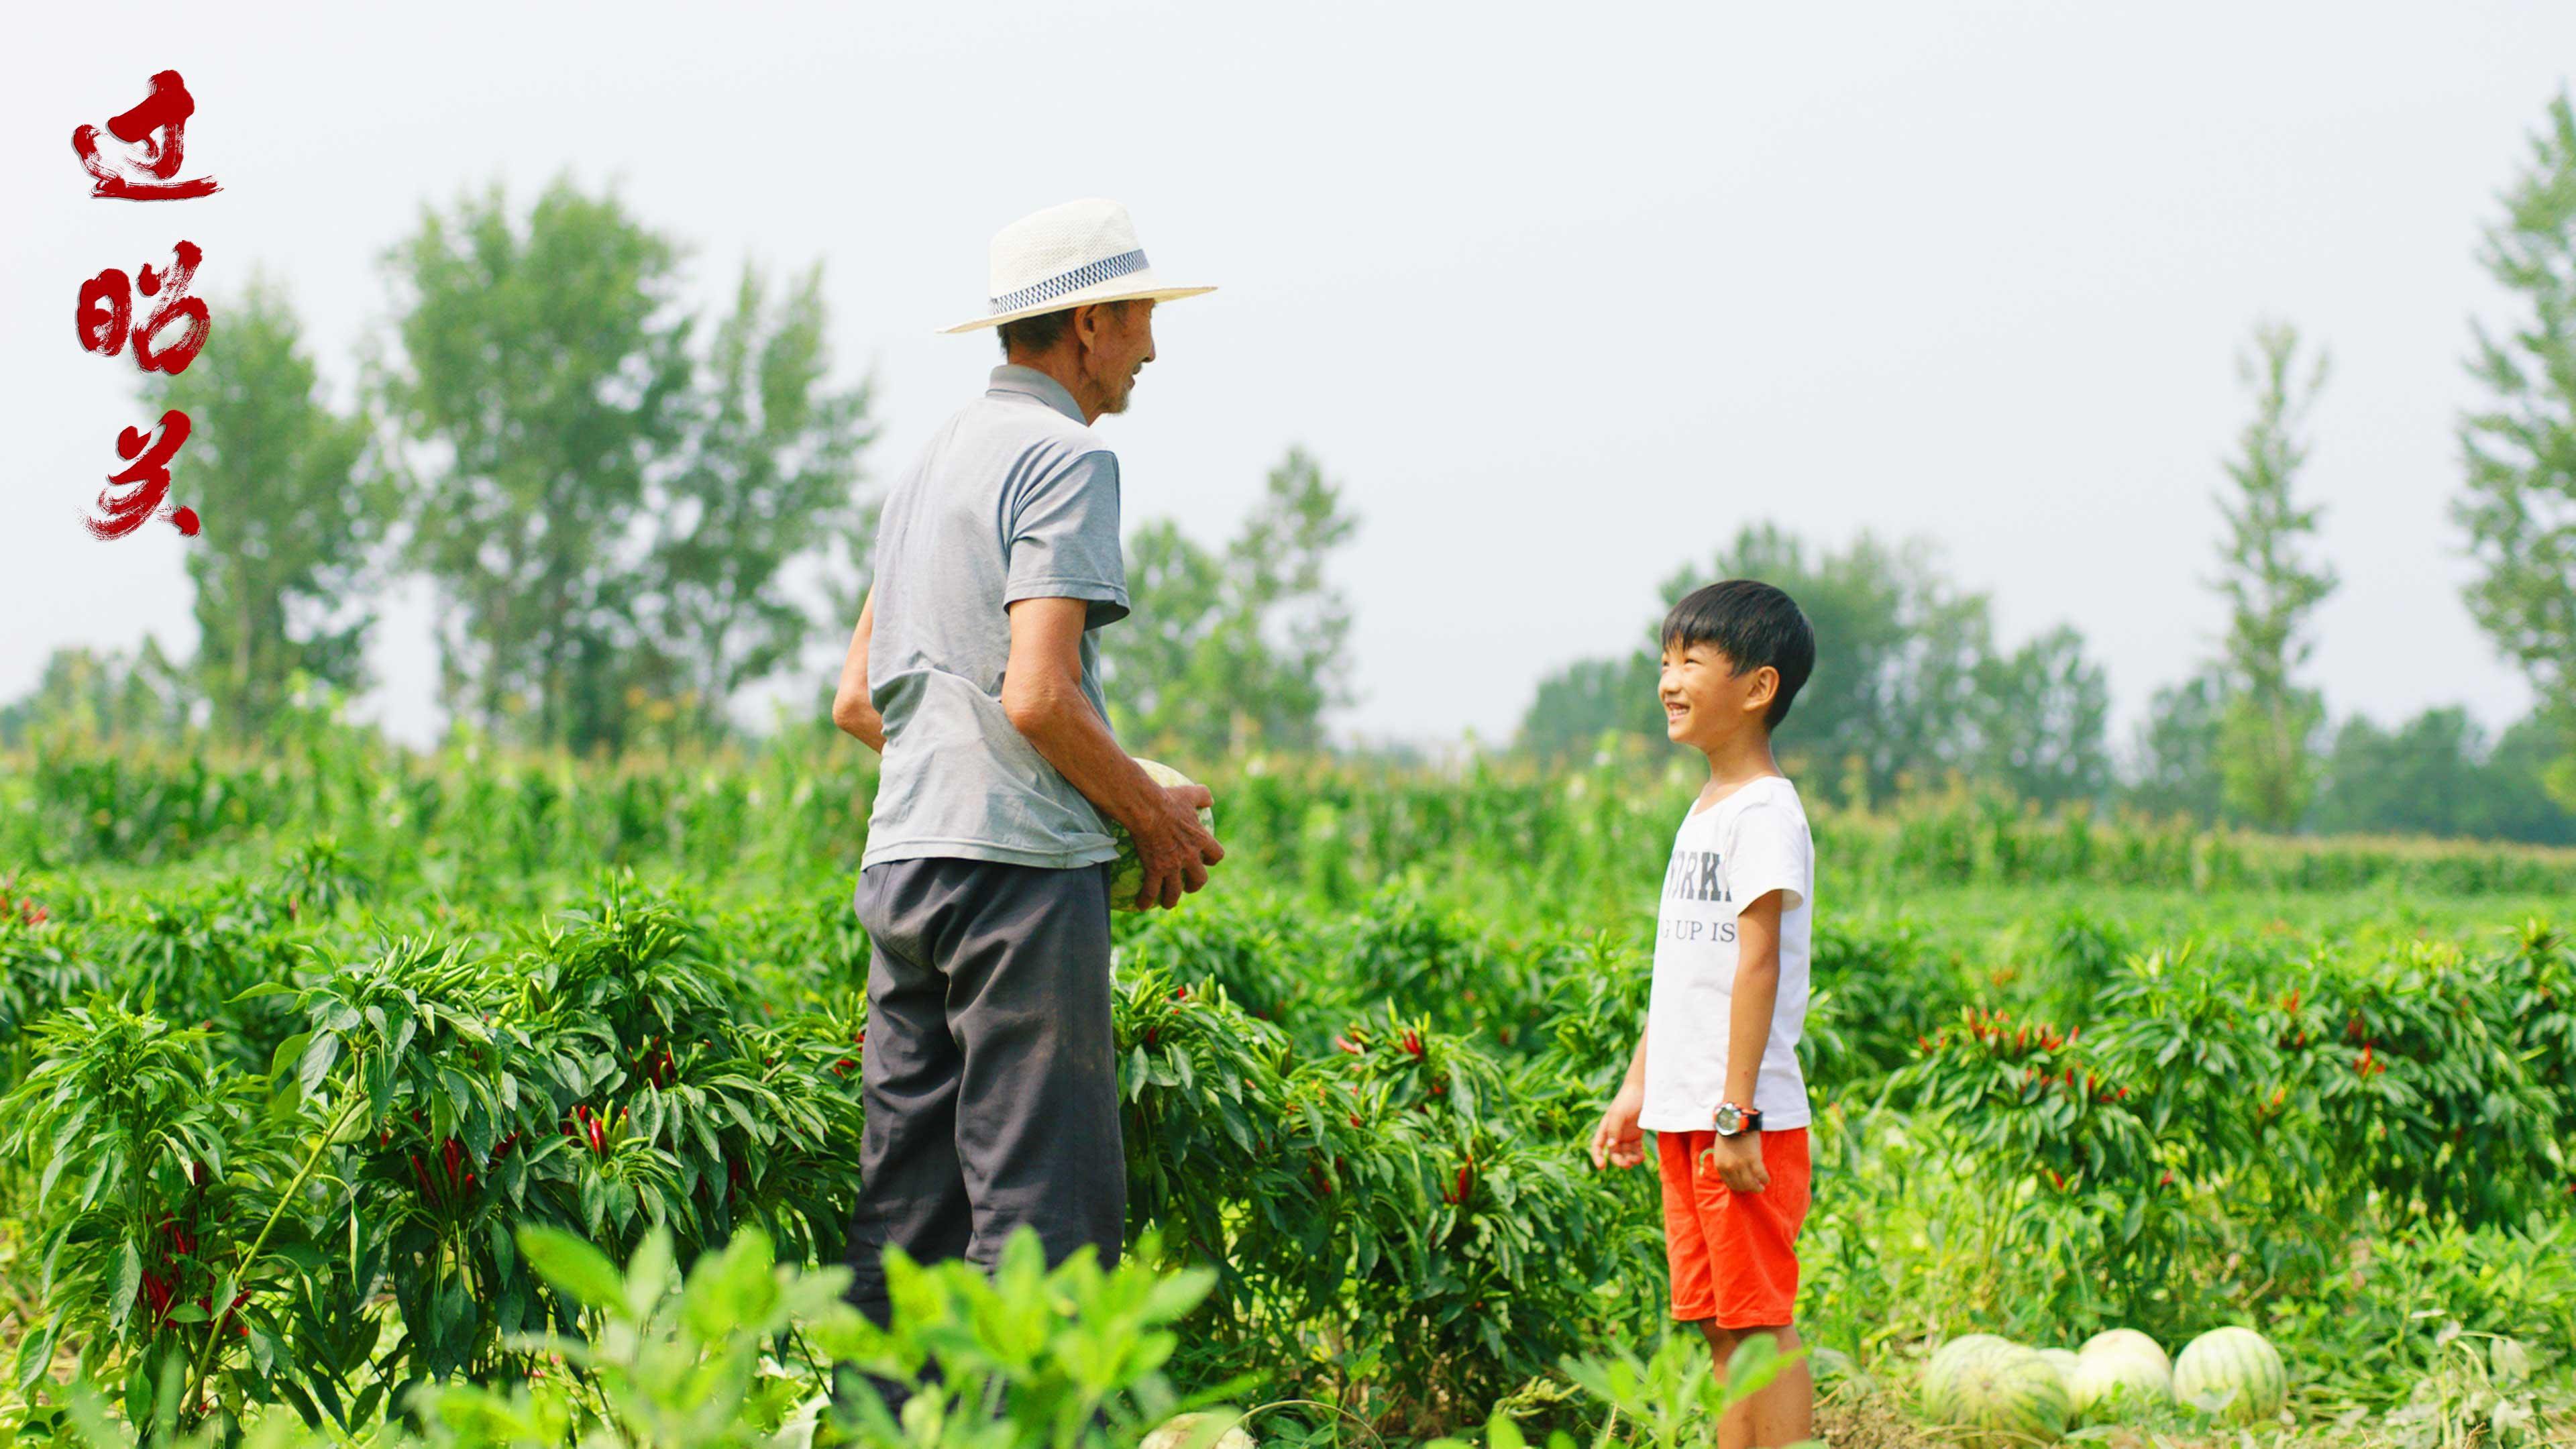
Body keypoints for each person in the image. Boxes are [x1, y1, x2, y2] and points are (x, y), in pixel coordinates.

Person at [826, 198, 1226, 1350]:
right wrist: (1147, 816)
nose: (1152, 346)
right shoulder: (1065, 460)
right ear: (1089, 323)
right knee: (1042, 1214)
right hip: (1013, 888)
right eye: (1144, 316)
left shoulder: (929, 464)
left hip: (906, 866)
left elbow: (867, 701)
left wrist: (1114, 774)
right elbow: (1038, 696)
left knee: (908, 1214)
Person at [1588, 580, 1820, 1449]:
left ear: (1757, 688)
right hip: (1688, 1115)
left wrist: (1737, 1115)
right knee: (1721, 1324)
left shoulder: (1766, 812)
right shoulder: (1706, 810)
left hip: (1739, 1120)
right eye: (1664, 660)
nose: (1669, 680)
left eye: (1691, 660)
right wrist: (1637, 1088)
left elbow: (1756, 966)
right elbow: (1684, 974)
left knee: (1761, 1323)